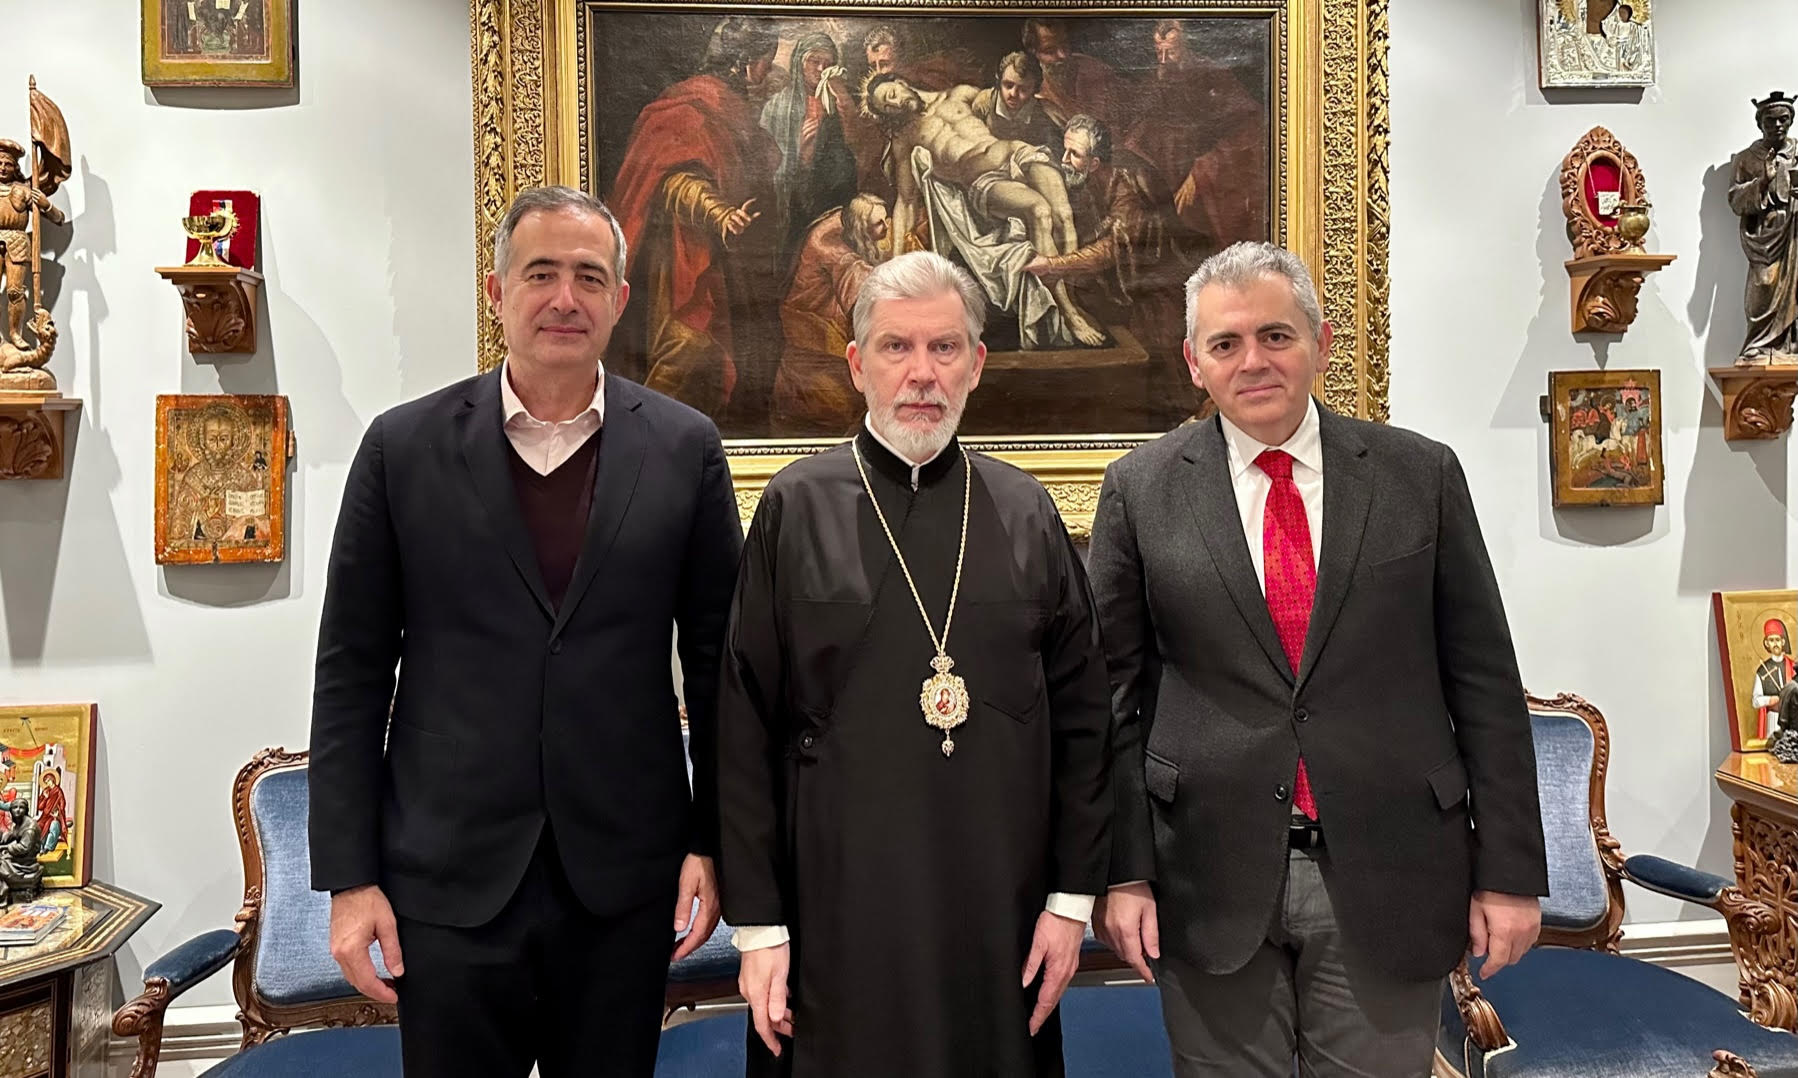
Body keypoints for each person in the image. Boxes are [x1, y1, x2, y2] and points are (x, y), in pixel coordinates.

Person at [309, 184, 743, 1078]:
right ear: (497, 289)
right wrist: (350, 880)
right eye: (540, 273)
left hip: (625, 879)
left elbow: (717, 668)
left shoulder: (684, 447)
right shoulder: (401, 448)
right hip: (446, 880)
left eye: (589, 277)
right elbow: (352, 674)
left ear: (621, 299)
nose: (564, 298)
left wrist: (713, 841)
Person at [1088, 241, 1548, 1076]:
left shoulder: (1419, 475)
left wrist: (1509, 872)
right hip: (1206, 876)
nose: (1253, 361)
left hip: (1391, 866)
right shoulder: (1140, 490)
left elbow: (1483, 680)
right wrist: (1123, 874)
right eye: (1226, 343)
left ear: (1321, 342)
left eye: (1276, 335)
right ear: (1194, 362)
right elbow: (1113, 701)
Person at [717, 251, 1113, 1077]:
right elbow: (743, 724)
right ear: (857, 364)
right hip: (835, 912)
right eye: (896, 347)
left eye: (944, 348)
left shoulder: (1027, 512)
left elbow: (1085, 720)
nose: (921, 373)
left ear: (977, 364)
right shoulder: (794, 507)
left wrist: (1071, 901)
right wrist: (757, 928)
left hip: (999, 911)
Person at [606, 17, 783, 423]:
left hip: (720, 259)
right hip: (682, 261)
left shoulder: (732, 107)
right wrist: (720, 213)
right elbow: (677, 180)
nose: (769, 69)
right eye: (766, 59)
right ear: (744, 61)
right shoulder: (693, 108)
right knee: (691, 351)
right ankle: (637, 440)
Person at [862, 73, 1106, 345]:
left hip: (1016, 151)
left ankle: (1073, 299)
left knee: (1064, 215)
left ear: (900, 83)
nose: (895, 104)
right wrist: (893, 264)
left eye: (891, 95)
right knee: (1039, 210)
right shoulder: (906, 139)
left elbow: (1008, 102)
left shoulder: (959, 93)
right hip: (984, 181)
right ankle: (1069, 312)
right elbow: (906, 200)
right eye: (887, 107)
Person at [773, 194, 889, 434]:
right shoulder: (828, 244)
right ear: (861, 226)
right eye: (879, 223)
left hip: (824, 350)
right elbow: (864, 288)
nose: (886, 228)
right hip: (813, 357)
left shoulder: (845, 223)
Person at [758, 32, 858, 251]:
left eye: (828, 64)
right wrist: (799, 152)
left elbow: (855, 149)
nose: (821, 69)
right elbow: (764, 171)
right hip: (795, 205)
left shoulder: (839, 101)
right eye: (814, 61)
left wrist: (842, 100)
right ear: (799, 62)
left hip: (835, 201)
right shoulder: (776, 107)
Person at [1728, 92, 1798, 365]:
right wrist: (1762, 182)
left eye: (1784, 119)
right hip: (1765, 234)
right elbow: (1735, 200)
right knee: (1764, 283)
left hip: (1795, 229)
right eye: (1771, 120)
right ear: (1760, 123)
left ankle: (1791, 345)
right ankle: (1757, 344)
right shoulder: (1746, 159)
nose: (1778, 125)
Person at [0, 141, 63, 350]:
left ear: (15, 167)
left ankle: (15, 334)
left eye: (8, 164)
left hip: (17, 243)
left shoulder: (23, 190)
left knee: (15, 292)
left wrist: (46, 204)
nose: (2, 168)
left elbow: (59, 218)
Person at [971, 51, 1062, 152]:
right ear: (999, 81)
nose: (1013, 94)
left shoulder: (1043, 112)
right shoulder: (984, 102)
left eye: (1023, 89)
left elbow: (1055, 147)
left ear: (1034, 90)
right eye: (1008, 86)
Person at [1754, 619, 1795, 742]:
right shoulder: (1762, 671)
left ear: (1783, 641)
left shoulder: (1793, 667)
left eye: (1777, 640)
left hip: (1792, 719)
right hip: (1773, 718)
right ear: (1766, 643)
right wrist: (1770, 700)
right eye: (1771, 640)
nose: (1775, 644)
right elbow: (1755, 701)